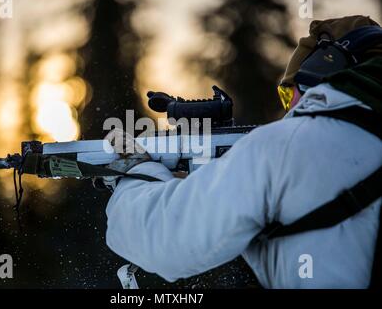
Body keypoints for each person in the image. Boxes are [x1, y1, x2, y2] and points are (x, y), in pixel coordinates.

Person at [102, 15, 382, 288]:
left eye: (289, 93)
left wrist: (135, 171)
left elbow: (161, 238)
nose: (289, 108)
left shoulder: (283, 150)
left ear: (322, 70)